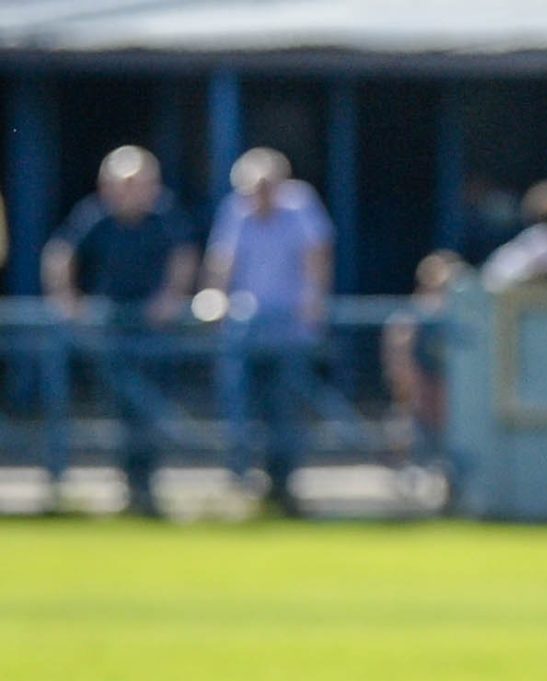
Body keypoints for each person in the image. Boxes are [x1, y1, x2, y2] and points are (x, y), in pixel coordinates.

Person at [40, 146, 196, 518]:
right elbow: (60, 254)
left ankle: (147, 488)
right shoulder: (95, 216)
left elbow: (184, 255)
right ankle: (128, 487)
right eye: (122, 183)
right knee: (120, 413)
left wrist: (170, 298)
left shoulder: (164, 216)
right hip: (111, 330)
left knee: (153, 411)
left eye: (138, 183)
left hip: (153, 333)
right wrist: (67, 298)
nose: (129, 191)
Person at [205, 147, 333, 518]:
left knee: (285, 409)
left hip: (290, 331)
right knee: (238, 405)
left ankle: (283, 486)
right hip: (245, 330)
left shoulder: (301, 206)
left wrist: (312, 304)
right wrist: (216, 299)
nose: (259, 195)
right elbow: (221, 263)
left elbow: (317, 257)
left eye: (266, 186)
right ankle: (240, 482)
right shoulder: (235, 210)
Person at [382, 251, 460, 494]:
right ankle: (409, 482)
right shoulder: (410, 316)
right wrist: (411, 388)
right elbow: (399, 361)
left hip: (449, 395)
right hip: (419, 392)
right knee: (406, 429)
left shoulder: (461, 315)